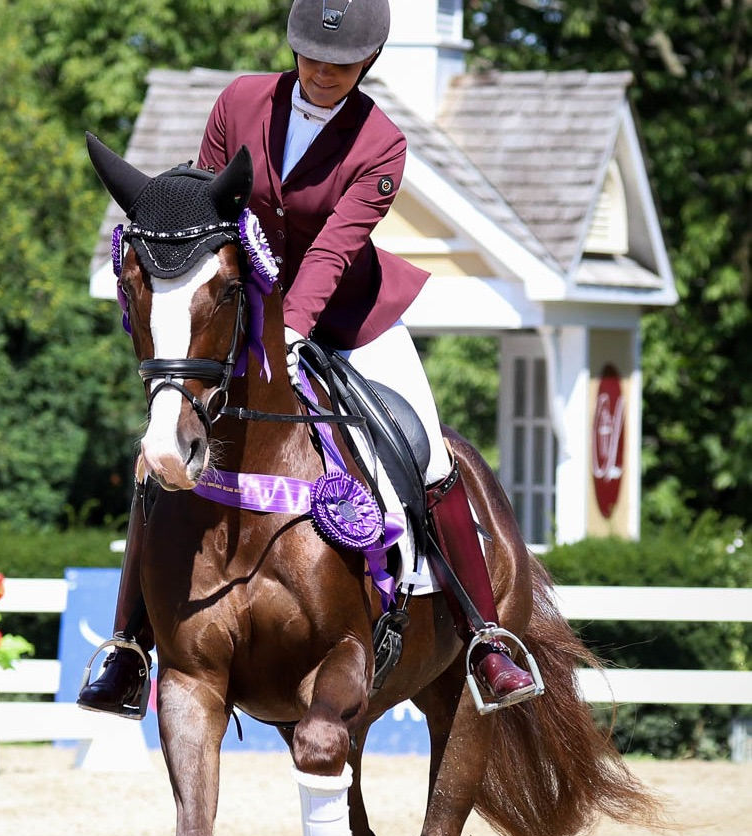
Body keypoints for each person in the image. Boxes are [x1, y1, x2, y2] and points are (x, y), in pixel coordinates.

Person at [78, 0, 540, 719]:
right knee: (163, 449)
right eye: (313, 60)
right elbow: (205, 208)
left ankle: (484, 636)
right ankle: (129, 647)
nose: (323, 75)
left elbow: (333, 249)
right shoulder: (240, 101)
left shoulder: (381, 143)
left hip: (352, 315)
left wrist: (291, 329)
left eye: (341, 66)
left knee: (432, 458)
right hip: (239, 311)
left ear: (367, 66)